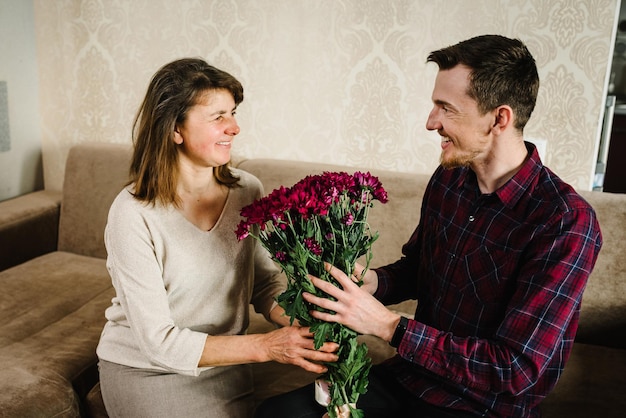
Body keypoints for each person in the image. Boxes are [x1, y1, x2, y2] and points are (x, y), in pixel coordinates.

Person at [254, 34, 603, 418]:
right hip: (413, 378)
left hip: (482, 406)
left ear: (499, 118)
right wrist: (370, 282)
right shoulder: (449, 179)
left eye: (446, 108)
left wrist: (388, 326)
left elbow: (513, 368)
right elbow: (420, 271)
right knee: (277, 414)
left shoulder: (564, 221)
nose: (430, 122)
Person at [96, 58, 338, 418]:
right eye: (218, 117)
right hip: (148, 369)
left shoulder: (246, 189)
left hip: (225, 366)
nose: (235, 127)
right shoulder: (132, 213)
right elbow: (158, 343)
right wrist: (268, 347)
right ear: (175, 129)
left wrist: (297, 321)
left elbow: (263, 281)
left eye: (234, 113)